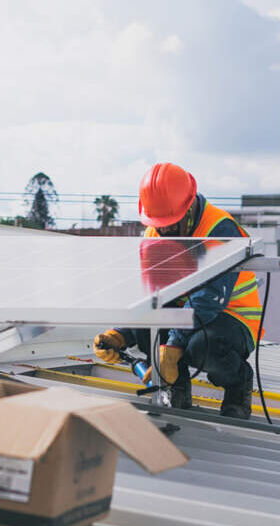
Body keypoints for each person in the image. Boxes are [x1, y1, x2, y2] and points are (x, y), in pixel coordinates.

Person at [93, 162, 262, 419]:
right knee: (148, 325)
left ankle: (238, 386)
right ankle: (175, 390)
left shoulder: (220, 228)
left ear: (190, 205)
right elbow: (152, 298)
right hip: (189, 315)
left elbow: (209, 299)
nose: (166, 230)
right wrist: (121, 334)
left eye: (172, 223)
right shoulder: (153, 235)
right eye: (161, 224)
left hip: (233, 320)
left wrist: (172, 348)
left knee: (202, 345)